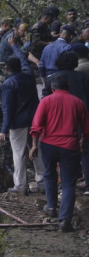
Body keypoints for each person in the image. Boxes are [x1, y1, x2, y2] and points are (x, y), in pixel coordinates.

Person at [30, 73, 89, 231]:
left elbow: (36, 125)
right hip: (70, 146)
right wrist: (83, 140)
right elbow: (86, 127)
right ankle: (65, 220)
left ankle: (51, 207)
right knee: (69, 183)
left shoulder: (46, 101)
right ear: (68, 87)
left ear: (53, 88)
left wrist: (34, 145)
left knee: (49, 174)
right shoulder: (78, 102)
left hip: (48, 145)